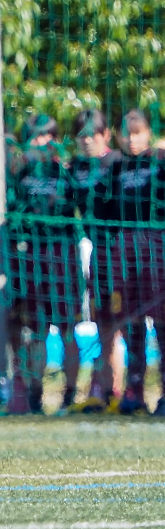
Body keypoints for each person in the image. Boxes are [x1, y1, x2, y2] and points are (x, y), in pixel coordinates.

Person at [5, 115, 75, 415]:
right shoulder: (18, 176)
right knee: (35, 329)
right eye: (35, 137)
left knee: (67, 326)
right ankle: (33, 392)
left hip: (62, 254)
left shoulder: (66, 174)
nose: (41, 143)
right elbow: (9, 213)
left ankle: (71, 395)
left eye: (47, 137)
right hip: (29, 256)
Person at [108, 110, 163, 414]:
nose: (132, 138)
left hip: (157, 244)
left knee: (162, 321)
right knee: (132, 322)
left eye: (138, 132)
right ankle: (135, 390)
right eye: (127, 133)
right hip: (125, 245)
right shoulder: (118, 166)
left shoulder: (160, 160)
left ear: (149, 133)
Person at [67, 108, 119, 412]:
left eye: (93, 135)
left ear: (105, 136)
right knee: (101, 322)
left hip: (119, 249)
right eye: (82, 135)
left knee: (120, 322)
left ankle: (116, 389)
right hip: (92, 250)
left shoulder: (117, 163)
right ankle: (100, 389)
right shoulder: (74, 168)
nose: (87, 141)